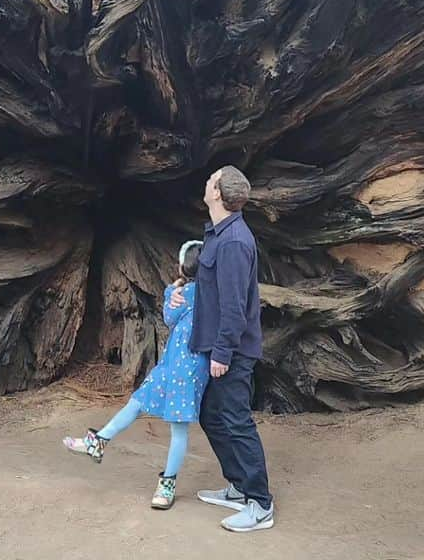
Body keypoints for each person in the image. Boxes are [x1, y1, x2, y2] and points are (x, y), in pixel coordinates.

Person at [63, 240, 209, 510]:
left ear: (181, 267)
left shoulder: (185, 294)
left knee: (171, 425)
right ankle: (98, 441)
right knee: (140, 403)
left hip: (182, 366)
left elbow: (169, 317)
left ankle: (167, 485)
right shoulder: (210, 292)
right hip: (177, 365)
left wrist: (170, 291)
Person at [180, 165, 275, 532]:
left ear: (218, 192)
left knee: (236, 421)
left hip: (232, 351)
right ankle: (238, 486)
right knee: (211, 414)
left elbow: (235, 308)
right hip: (218, 346)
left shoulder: (234, 241)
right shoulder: (221, 234)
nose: (205, 182)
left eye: (211, 180)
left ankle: (261, 504)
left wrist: (222, 353)